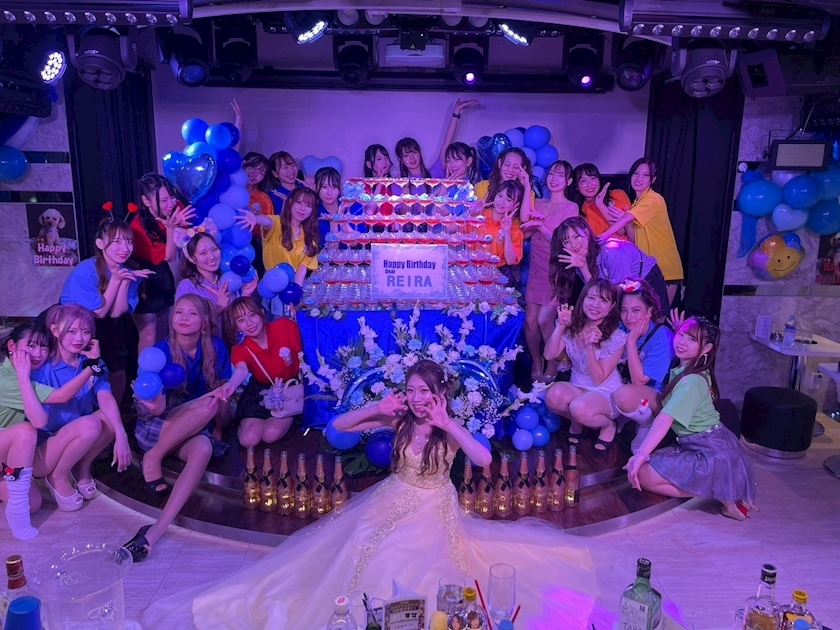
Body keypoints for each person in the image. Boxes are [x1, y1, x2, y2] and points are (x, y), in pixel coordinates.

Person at [124, 294, 232, 562]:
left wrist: (219, 428)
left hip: (195, 426)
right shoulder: (160, 351)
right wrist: (155, 406)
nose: (183, 318)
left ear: (204, 321)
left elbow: (223, 393)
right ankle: (154, 456)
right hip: (158, 425)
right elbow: (147, 405)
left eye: (192, 314)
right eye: (178, 313)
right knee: (206, 407)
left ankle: (155, 531)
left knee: (204, 447)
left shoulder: (216, 347)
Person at [624, 316, 758, 521]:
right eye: (680, 335)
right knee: (645, 466)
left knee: (643, 475)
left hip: (712, 452)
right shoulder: (693, 369)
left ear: (706, 349)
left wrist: (641, 454)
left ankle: (722, 491)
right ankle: (722, 487)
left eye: (692, 339)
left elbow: (665, 419)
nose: (681, 342)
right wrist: (688, 333)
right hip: (710, 445)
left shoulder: (691, 381)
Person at [0, 323, 99, 538]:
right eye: (31, 346)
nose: (38, 353)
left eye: (44, 348)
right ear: (12, 346)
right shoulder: (5, 379)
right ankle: (18, 516)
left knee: (34, 504)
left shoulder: (26, 377)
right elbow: (41, 418)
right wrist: (92, 367)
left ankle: (15, 488)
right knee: (25, 431)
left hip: (6, 460)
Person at [32, 304, 131, 512]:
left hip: (80, 434)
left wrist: (121, 435)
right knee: (90, 425)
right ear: (55, 330)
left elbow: (106, 398)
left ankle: (81, 466)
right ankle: (57, 476)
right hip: (44, 450)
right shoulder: (43, 367)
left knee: (111, 418)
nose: (79, 338)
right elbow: (61, 398)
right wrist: (91, 367)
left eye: (86, 332)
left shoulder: (92, 362)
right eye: (72, 331)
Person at [60, 217, 153, 406]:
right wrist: (117, 280)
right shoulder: (85, 271)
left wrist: (125, 282)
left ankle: (113, 412)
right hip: (72, 321)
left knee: (118, 362)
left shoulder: (129, 271)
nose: (125, 248)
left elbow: (117, 312)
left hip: (103, 321)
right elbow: (99, 313)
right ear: (100, 244)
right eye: (117, 241)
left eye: (128, 241)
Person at [544, 279, 627, 451]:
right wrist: (561, 326)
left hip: (604, 392)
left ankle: (607, 425)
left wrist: (590, 348)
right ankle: (578, 421)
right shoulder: (574, 327)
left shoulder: (616, 336)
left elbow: (598, 379)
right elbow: (549, 355)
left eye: (603, 300)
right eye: (591, 298)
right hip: (578, 387)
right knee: (552, 396)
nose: (595, 305)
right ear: (583, 299)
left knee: (578, 407)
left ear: (612, 306)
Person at [522, 160, 579, 383]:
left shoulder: (570, 208)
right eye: (552, 174)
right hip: (536, 269)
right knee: (530, 321)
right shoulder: (539, 203)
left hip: (556, 271)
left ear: (569, 181)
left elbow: (561, 241)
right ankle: (537, 362)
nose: (554, 179)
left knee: (545, 320)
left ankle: (553, 363)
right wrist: (526, 187)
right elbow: (525, 227)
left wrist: (540, 226)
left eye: (560, 175)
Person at [218, 297, 301, 448]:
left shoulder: (284, 326)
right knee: (248, 440)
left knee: (270, 435)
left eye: (252, 315)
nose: (249, 323)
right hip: (259, 392)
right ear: (237, 326)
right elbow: (241, 369)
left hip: (289, 390)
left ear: (261, 313)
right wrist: (231, 385)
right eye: (241, 320)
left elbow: (305, 354)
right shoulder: (240, 349)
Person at [599, 159, 684, 307]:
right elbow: (632, 239)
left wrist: (603, 236)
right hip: (647, 268)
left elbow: (626, 218)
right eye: (636, 173)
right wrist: (600, 205)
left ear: (653, 180)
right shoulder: (636, 204)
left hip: (664, 268)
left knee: (657, 315)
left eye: (645, 175)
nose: (639, 178)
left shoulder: (653, 199)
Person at [549, 216, 670, 316]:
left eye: (576, 236)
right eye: (566, 241)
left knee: (655, 321)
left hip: (647, 279)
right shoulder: (578, 259)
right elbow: (597, 292)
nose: (573, 244)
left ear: (587, 233)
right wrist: (583, 267)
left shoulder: (612, 251)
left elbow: (620, 292)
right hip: (618, 291)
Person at [130, 174, 196, 352]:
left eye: (171, 197)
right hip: (142, 280)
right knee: (149, 332)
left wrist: (182, 229)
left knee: (165, 329)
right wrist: (171, 229)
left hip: (163, 276)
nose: (170, 204)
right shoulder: (138, 227)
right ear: (146, 201)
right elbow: (169, 256)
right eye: (164, 200)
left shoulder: (176, 209)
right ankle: (144, 369)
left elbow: (184, 242)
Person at [612, 278, 675, 449]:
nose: (628, 317)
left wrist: (631, 342)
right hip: (627, 384)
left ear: (649, 311)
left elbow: (640, 380)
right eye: (624, 310)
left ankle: (647, 424)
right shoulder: (623, 328)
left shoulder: (662, 337)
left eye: (636, 310)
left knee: (623, 395)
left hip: (657, 396)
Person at [236, 187, 320, 287]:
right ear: (290, 202)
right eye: (299, 202)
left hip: (292, 286)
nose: (303, 209)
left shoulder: (310, 236)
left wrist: (296, 290)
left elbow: (302, 268)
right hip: (270, 285)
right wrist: (256, 218)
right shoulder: (277, 223)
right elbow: (267, 222)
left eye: (308, 206)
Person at [176, 232, 257, 330]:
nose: (211, 257)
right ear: (192, 259)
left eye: (214, 249)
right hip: (210, 339)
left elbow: (238, 319)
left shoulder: (228, 279)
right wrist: (219, 308)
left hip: (233, 338)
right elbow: (185, 327)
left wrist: (245, 295)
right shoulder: (187, 286)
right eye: (203, 253)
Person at [569, 163, 631, 238]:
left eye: (593, 178)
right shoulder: (577, 210)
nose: (590, 185)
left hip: (621, 244)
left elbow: (621, 231)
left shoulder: (617, 195)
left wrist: (601, 206)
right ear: (577, 187)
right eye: (583, 181)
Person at [474, 148, 535, 222]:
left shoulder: (528, 193)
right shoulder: (481, 186)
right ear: (500, 163)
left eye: (516, 167)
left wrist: (527, 187)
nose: (510, 170)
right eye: (507, 165)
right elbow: (468, 217)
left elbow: (525, 219)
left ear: (523, 169)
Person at [477, 180, 525, 275]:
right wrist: (471, 212)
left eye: (508, 200)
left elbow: (510, 260)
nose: (501, 202)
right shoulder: (480, 215)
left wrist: (506, 232)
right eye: (500, 196)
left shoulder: (514, 228)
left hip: (498, 272)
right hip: (473, 268)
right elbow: (451, 229)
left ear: (515, 205)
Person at [428, 98, 480, 180]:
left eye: (457, 159)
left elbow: (446, 144)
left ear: (468, 161)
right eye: (448, 161)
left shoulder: (472, 185)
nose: (452, 165)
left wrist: (456, 112)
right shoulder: (439, 180)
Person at [314, 166, 341, 246]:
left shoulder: (349, 208)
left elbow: (356, 242)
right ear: (315, 187)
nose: (329, 193)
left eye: (334, 187)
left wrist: (342, 211)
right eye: (324, 187)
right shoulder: (313, 213)